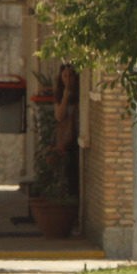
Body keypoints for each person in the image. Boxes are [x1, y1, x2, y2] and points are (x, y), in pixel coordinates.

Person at [53, 63, 80, 197]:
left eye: (71, 75)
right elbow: (59, 115)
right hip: (67, 139)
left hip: (78, 138)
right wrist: (65, 96)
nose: (68, 79)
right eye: (65, 76)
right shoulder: (60, 94)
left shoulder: (80, 95)